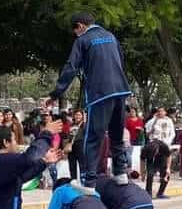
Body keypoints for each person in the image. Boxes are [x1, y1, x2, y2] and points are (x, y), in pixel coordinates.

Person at [49, 12, 132, 188]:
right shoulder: (111, 36)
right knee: (117, 135)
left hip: (99, 93)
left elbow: (71, 68)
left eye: (75, 31)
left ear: (79, 26)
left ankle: (89, 180)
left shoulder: (82, 40)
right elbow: (121, 61)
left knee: (93, 137)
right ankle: (120, 173)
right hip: (120, 90)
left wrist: (55, 93)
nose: (76, 34)